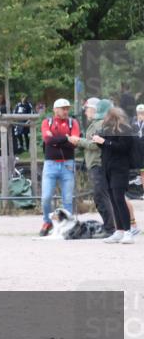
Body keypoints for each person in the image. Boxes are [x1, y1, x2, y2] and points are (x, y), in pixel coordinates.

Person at [70, 99, 116, 239]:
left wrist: (78, 141)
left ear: (95, 109)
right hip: (96, 164)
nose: (85, 111)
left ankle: (110, 229)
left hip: (99, 164)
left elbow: (96, 145)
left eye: (87, 108)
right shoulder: (97, 124)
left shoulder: (100, 124)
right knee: (102, 196)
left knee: (101, 196)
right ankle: (111, 227)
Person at [92, 106, 139, 244]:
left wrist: (104, 142)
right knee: (113, 200)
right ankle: (119, 231)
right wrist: (98, 140)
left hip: (120, 169)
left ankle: (128, 232)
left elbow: (123, 148)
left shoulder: (126, 129)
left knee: (119, 199)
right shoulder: (108, 129)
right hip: (107, 168)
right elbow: (107, 147)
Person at [39, 99, 80, 236]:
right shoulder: (47, 122)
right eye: (63, 108)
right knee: (46, 197)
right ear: (55, 109)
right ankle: (47, 221)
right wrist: (66, 138)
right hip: (50, 164)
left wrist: (59, 140)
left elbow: (75, 143)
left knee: (67, 199)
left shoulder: (72, 122)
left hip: (67, 164)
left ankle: (67, 226)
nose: (66, 111)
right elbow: (48, 140)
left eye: (67, 108)